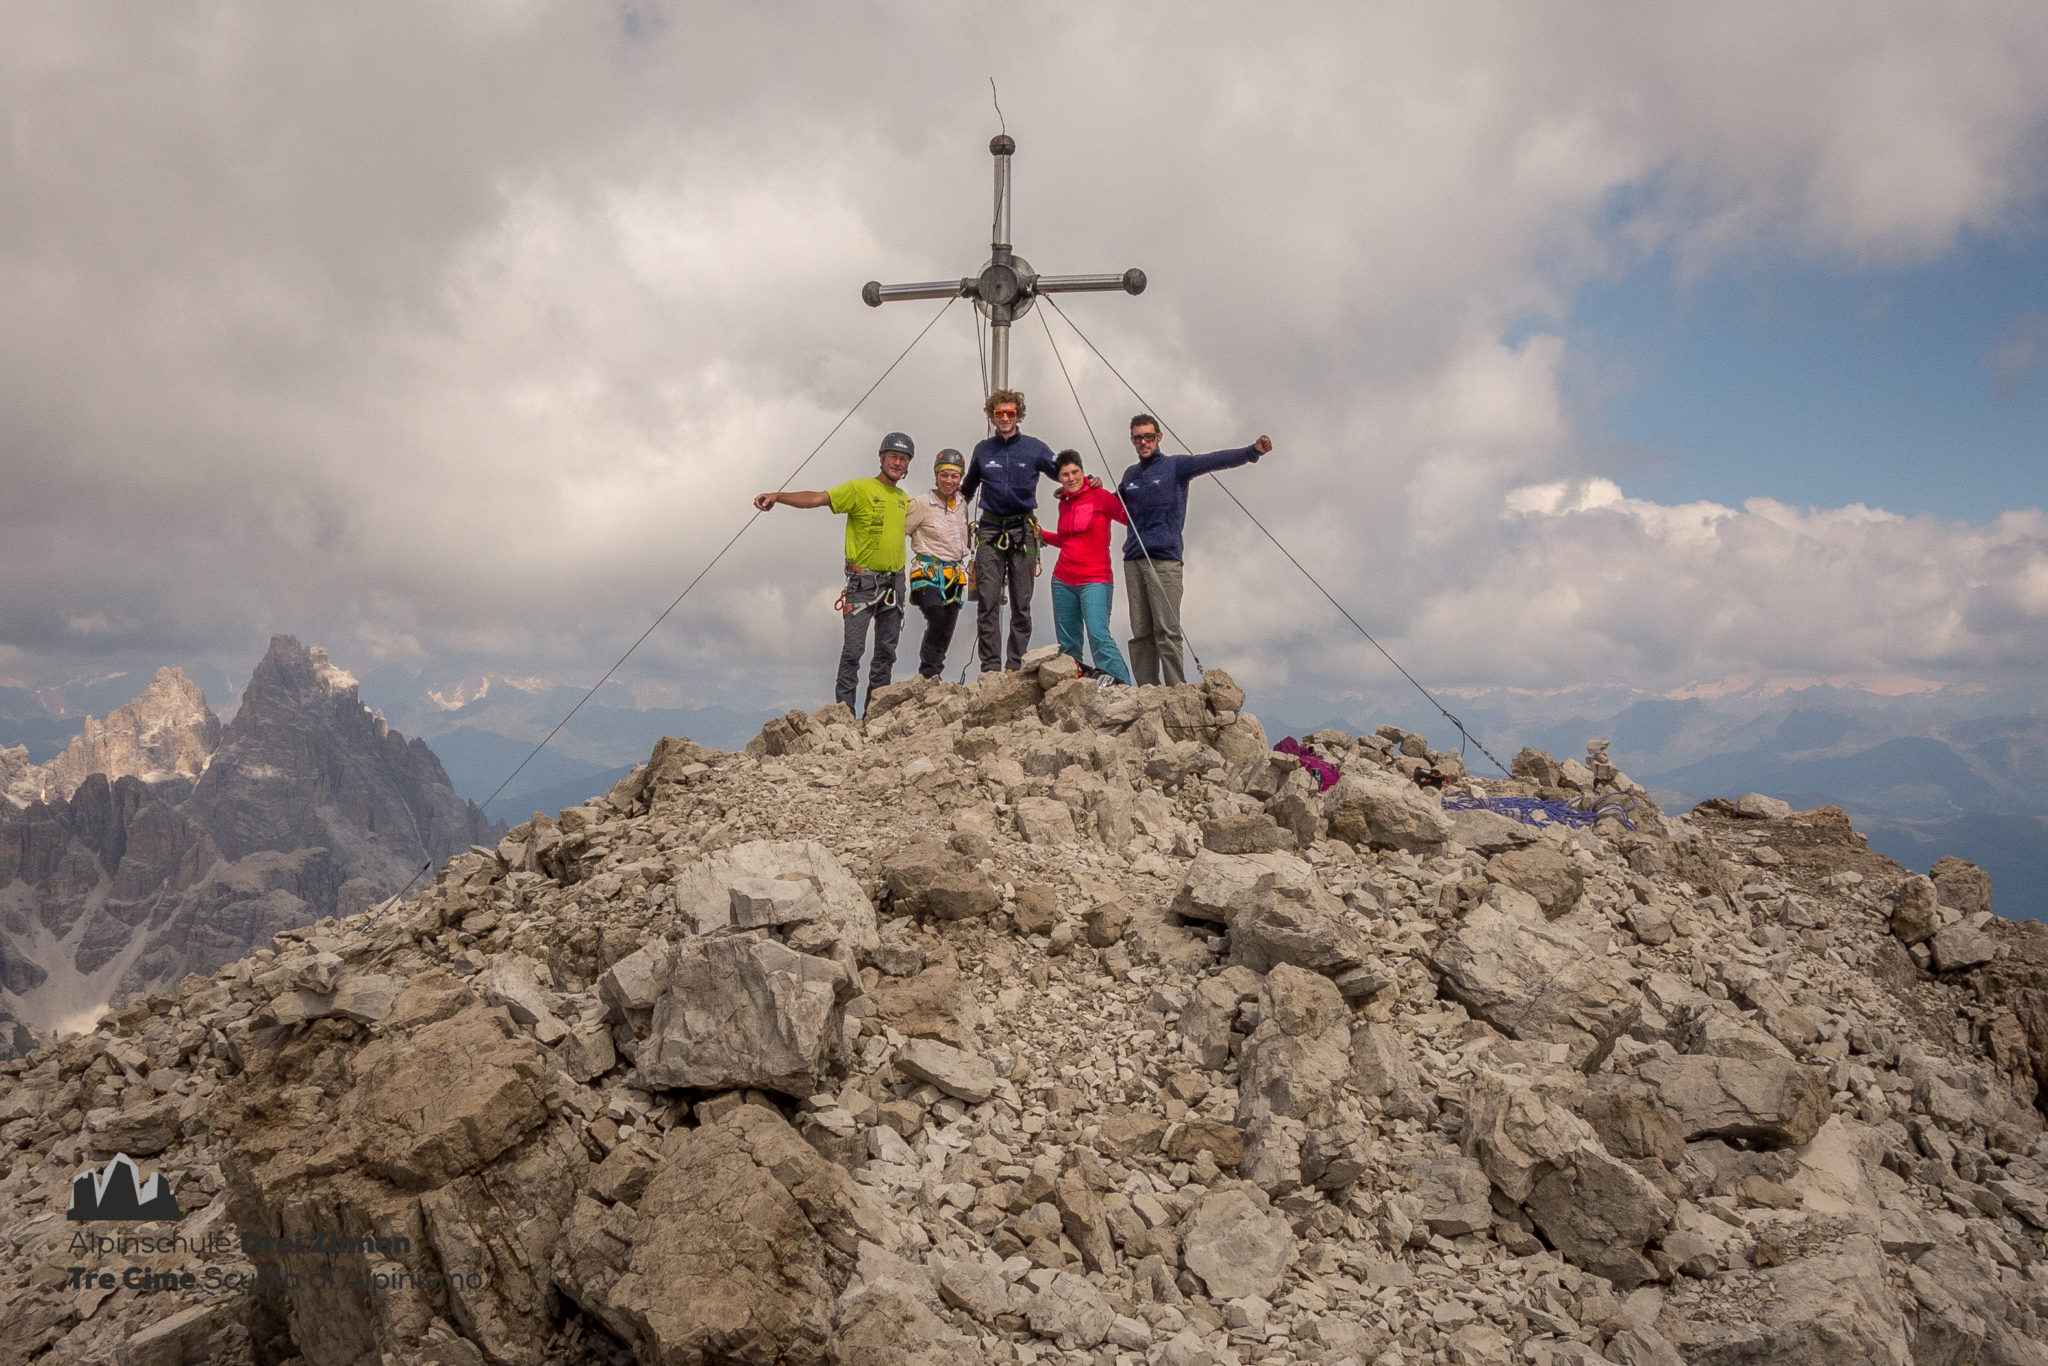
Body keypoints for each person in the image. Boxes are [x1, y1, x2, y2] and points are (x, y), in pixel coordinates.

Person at [753, 432, 914, 714]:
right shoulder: (858, 489)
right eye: (893, 457)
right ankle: (844, 716)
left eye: (903, 459)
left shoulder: (904, 498)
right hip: (863, 582)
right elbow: (818, 498)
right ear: (881, 458)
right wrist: (778, 496)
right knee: (853, 652)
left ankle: (877, 714)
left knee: (886, 654)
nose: (897, 463)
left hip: (894, 582)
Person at [1116, 414, 1273, 685]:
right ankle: (1146, 692)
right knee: (1140, 632)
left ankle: (1177, 690)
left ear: (1159, 437)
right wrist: (1082, 490)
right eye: (1138, 438)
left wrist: (1252, 451)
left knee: (1167, 630)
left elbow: (1212, 460)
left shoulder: (1176, 466)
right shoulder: (1130, 475)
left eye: (1149, 436)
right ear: (1132, 440)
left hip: (1165, 560)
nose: (1144, 442)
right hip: (1133, 560)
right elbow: (1111, 504)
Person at [959, 388, 1059, 673]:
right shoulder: (982, 450)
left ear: (1018, 415)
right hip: (990, 531)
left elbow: (1063, 472)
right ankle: (990, 668)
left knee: (1021, 604)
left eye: (1010, 413)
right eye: (999, 413)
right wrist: (944, 508)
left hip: (1023, 532)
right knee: (987, 602)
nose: (1004, 418)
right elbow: (967, 490)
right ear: (991, 416)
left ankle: (1016, 666)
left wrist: (1086, 482)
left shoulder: (1034, 448)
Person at [1038, 450, 1134, 686]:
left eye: (1075, 472)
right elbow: (1067, 539)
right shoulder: (1064, 503)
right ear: (1059, 478)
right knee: (1068, 643)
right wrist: (1042, 535)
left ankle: (1123, 687)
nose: (1071, 478)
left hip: (1095, 579)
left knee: (1099, 635)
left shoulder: (1100, 496)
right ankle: (1071, 687)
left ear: (1083, 471)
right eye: (1065, 474)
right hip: (1063, 579)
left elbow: (1130, 519)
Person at [903, 448, 971, 678]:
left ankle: (933, 672)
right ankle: (927, 672)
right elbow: (900, 531)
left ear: (960, 478)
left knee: (947, 624)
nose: (949, 481)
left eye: (954, 476)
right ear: (936, 475)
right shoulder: (921, 504)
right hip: (926, 570)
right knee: (936, 616)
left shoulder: (962, 504)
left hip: (954, 572)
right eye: (944, 475)